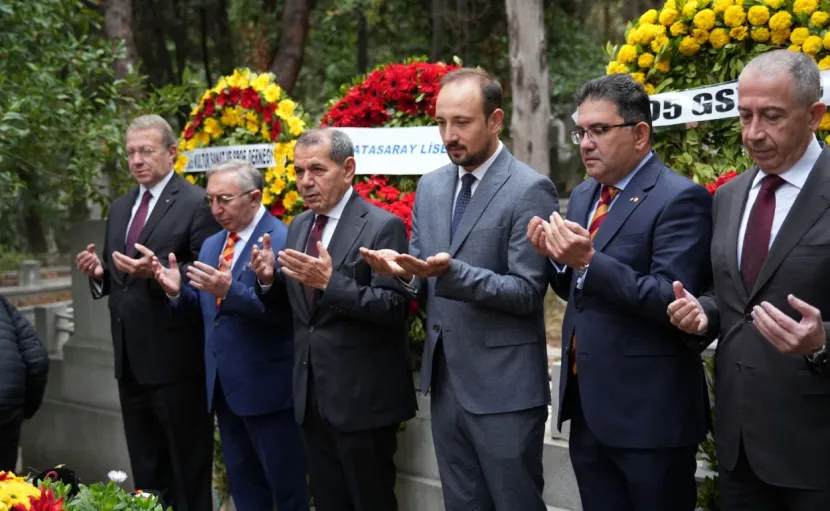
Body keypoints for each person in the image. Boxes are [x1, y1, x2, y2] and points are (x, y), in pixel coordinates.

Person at [360, 68, 558, 511]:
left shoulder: (529, 188)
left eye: (462, 122)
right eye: (441, 122)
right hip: (447, 384)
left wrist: (452, 275)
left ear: (495, 120)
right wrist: (399, 272)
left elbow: (528, 292)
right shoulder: (431, 186)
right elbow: (422, 277)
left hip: (505, 391)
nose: (449, 134)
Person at [527, 73, 713, 511]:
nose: (585, 143)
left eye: (599, 130)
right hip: (590, 409)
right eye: (581, 131)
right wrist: (554, 258)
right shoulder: (585, 195)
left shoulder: (680, 198)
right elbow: (577, 291)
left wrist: (588, 260)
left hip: (651, 417)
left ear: (640, 134)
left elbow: (671, 299)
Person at [668, 49, 830, 511]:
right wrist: (705, 313)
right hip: (740, 451)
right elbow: (731, 295)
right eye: (745, 116)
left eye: (772, 117)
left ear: (814, 115)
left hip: (818, 453)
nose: (753, 133)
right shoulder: (731, 196)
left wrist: (821, 342)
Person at [252, 128, 416, 511]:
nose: (306, 182)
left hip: (362, 403)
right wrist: (267, 281)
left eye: (317, 170)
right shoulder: (298, 226)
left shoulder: (381, 226)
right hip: (311, 400)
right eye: (298, 172)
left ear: (348, 169)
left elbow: (395, 308)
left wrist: (331, 282)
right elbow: (303, 313)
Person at [74, 114, 220, 510]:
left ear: (172, 153)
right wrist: (100, 274)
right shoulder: (121, 207)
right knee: (147, 474)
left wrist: (162, 275)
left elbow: (205, 269)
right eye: (130, 153)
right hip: (130, 362)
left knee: (186, 472)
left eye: (146, 151)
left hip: (177, 364)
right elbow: (116, 272)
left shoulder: (195, 203)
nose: (136, 160)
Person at [152, 159, 309, 510]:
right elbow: (212, 311)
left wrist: (231, 290)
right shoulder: (211, 245)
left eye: (224, 199)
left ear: (254, 198)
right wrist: (177, 292)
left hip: (270, 389)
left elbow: (285, 313)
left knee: (285, 489)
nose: (216, 209)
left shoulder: (283, 239)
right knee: (245, 487)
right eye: (210, 200)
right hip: (225, 387)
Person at [0, 295, 48, 472]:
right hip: (7, 406)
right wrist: (23, 409)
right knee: (5, 488)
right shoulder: (3, 304)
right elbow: (37, 360)